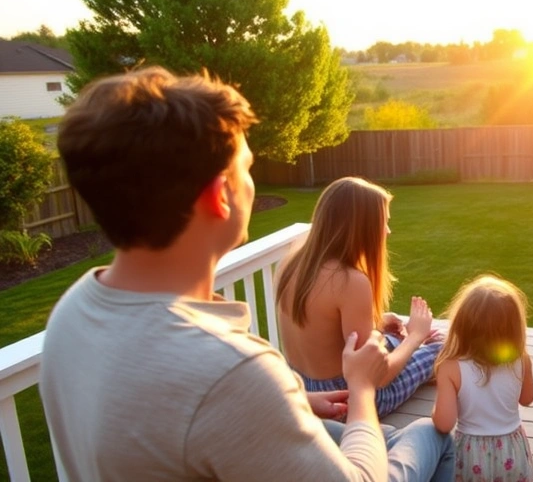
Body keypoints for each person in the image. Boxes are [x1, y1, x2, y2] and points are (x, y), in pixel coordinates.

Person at [39, 67, 454, 481]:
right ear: (220, 195)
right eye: (247, 168)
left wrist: (298, 398)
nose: (252, 184)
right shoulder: (229, 371)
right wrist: (362, 387)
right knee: (431, 436)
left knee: (384, 435)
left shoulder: (72, 312)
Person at [276, 176, 444, 418]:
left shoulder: (294, 259)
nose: (388, 231)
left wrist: (379, 323)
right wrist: (416, 336)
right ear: (363, 228)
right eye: (383, 223)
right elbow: (379, 377)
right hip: (347, 398)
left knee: (391, 338)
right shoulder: (349, 280)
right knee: (441, 347)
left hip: (303, 388)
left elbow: (325, 331)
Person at [432, 274, 533, 481]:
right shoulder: (520, 359)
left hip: (471, 455)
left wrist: (436, 411)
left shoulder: (450, 367)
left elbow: (444, 423)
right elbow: (527, 398)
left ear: (462, 325)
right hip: (512, 449)